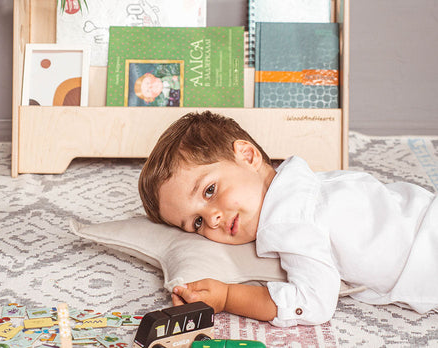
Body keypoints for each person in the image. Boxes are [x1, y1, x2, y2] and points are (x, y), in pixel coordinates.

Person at [138, 111, 438, 326]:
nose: (213, 218)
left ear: (248, 156)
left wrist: (228, 296)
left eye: (210, 190)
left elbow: (314, 303)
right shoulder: (302, 181)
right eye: (197, 223)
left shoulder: (288, 218)